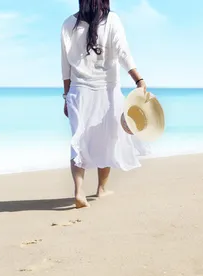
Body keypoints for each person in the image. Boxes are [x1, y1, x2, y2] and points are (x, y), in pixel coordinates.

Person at [61, 0, 148, 209]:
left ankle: (79, 191)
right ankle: (101, 189)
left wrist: (66, 96)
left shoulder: (67, 24)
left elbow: (65, 67)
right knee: (107, 139)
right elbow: (123, 52)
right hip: (108, 91)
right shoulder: (112, 20)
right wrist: (138, 79)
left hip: (79, 92)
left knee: (78, 142)